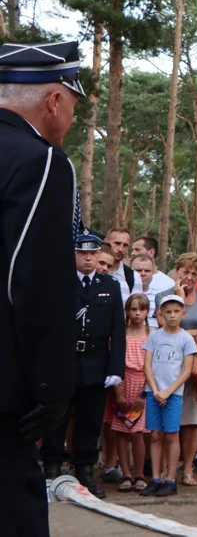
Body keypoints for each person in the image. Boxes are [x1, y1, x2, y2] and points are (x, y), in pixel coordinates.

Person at [0, 40, 85, 537]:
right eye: (73, 106)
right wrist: (53, 388)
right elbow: (34, 281)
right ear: (53, 101)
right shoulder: (43, 161)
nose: (72, 119)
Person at [40, 232, 126, 499]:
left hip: (95, 361)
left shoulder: (109, 285)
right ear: (74, 254)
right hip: (64, 361)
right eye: (82, 253)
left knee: (90, 419)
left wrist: (115, 369)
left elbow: (118, 331)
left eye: (92, 253)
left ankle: (85, 471)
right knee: (57, 417)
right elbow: (47, 327)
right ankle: (52, 469)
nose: (88, 258)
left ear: (99, 254)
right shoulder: (59, 283)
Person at [156, 252, 197, 483]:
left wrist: (184, 333)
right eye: (185, 272)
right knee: (168, 421)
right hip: (168, 366)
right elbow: (165, 326)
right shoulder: (164, 297)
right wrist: (179, 297)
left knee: (193, 420)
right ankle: (164, 469)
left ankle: (188, 469)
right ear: (176, 271)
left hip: (196, 368)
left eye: (195, 273)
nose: (189, 277)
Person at [139, 295, 197, 498]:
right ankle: (156, 478)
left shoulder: (186, 338)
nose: (172, 316)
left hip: (173, 395)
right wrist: (155, 390)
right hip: (153, 393)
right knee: (155, 435)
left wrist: (168, 391)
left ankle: (171, 479)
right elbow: (147, 365)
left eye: (176, 311)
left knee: (172, 435)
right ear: (160, 314)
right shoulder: (154, 336)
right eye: (168, 312)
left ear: (183, 313)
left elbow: (187, 370)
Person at [105, 294, 151, 493]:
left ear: (147, 311)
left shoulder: (152, 336)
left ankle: (139, 472)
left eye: (141, 309)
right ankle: (126, 474)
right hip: (123, 386)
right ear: (127, 311)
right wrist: (118, 394)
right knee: (122, 431)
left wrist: (145, 390)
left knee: (138, 432)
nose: (137, 313)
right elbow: (113, 365)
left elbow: (155, 366)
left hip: (143, 387)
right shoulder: (119, 336)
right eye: (133, 309)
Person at [106, 228, 142, 307]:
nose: (120, 249)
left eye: (125, 245)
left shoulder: (134, 277)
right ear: (106, 242)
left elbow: (136, 312)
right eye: (117, 243)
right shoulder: (93, 271)